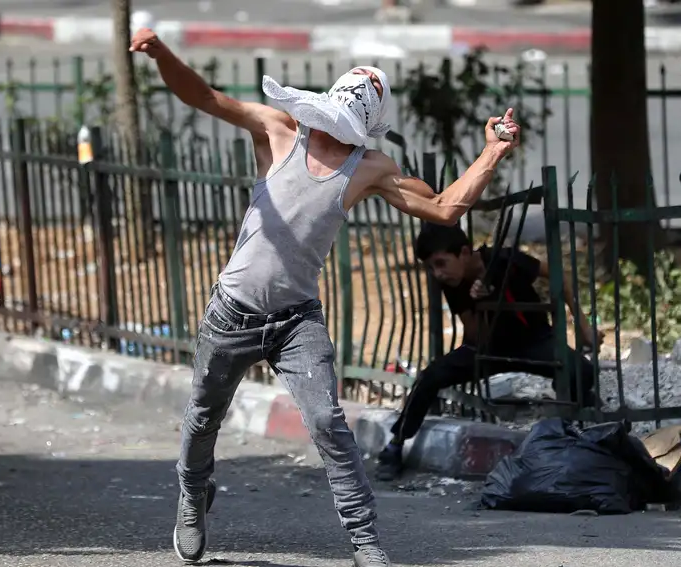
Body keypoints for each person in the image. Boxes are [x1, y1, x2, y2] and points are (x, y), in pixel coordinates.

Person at [129, 27, 521, 567]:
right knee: (202, 418)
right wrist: (160, 52)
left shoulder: (370, 168)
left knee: (328, 424)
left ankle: (365, 543)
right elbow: (203, 96)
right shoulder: (278, 131)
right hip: (232, 312)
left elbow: (445, 210)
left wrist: (492, 152)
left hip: (296, 321)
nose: (339, 136)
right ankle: (193, 497)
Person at [375, 223, 602, 481]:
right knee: (430, 377)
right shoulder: (453, 282)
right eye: (430, 267)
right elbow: (475, 336)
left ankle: (571, 418)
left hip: (534, 340)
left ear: (463, 252)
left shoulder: (505, 259)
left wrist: (583, 326)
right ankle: (395, 445)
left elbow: (559, 276)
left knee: (582, 372)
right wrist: (481, 301)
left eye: (440, 263)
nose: (437, 273)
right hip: (489, 348)